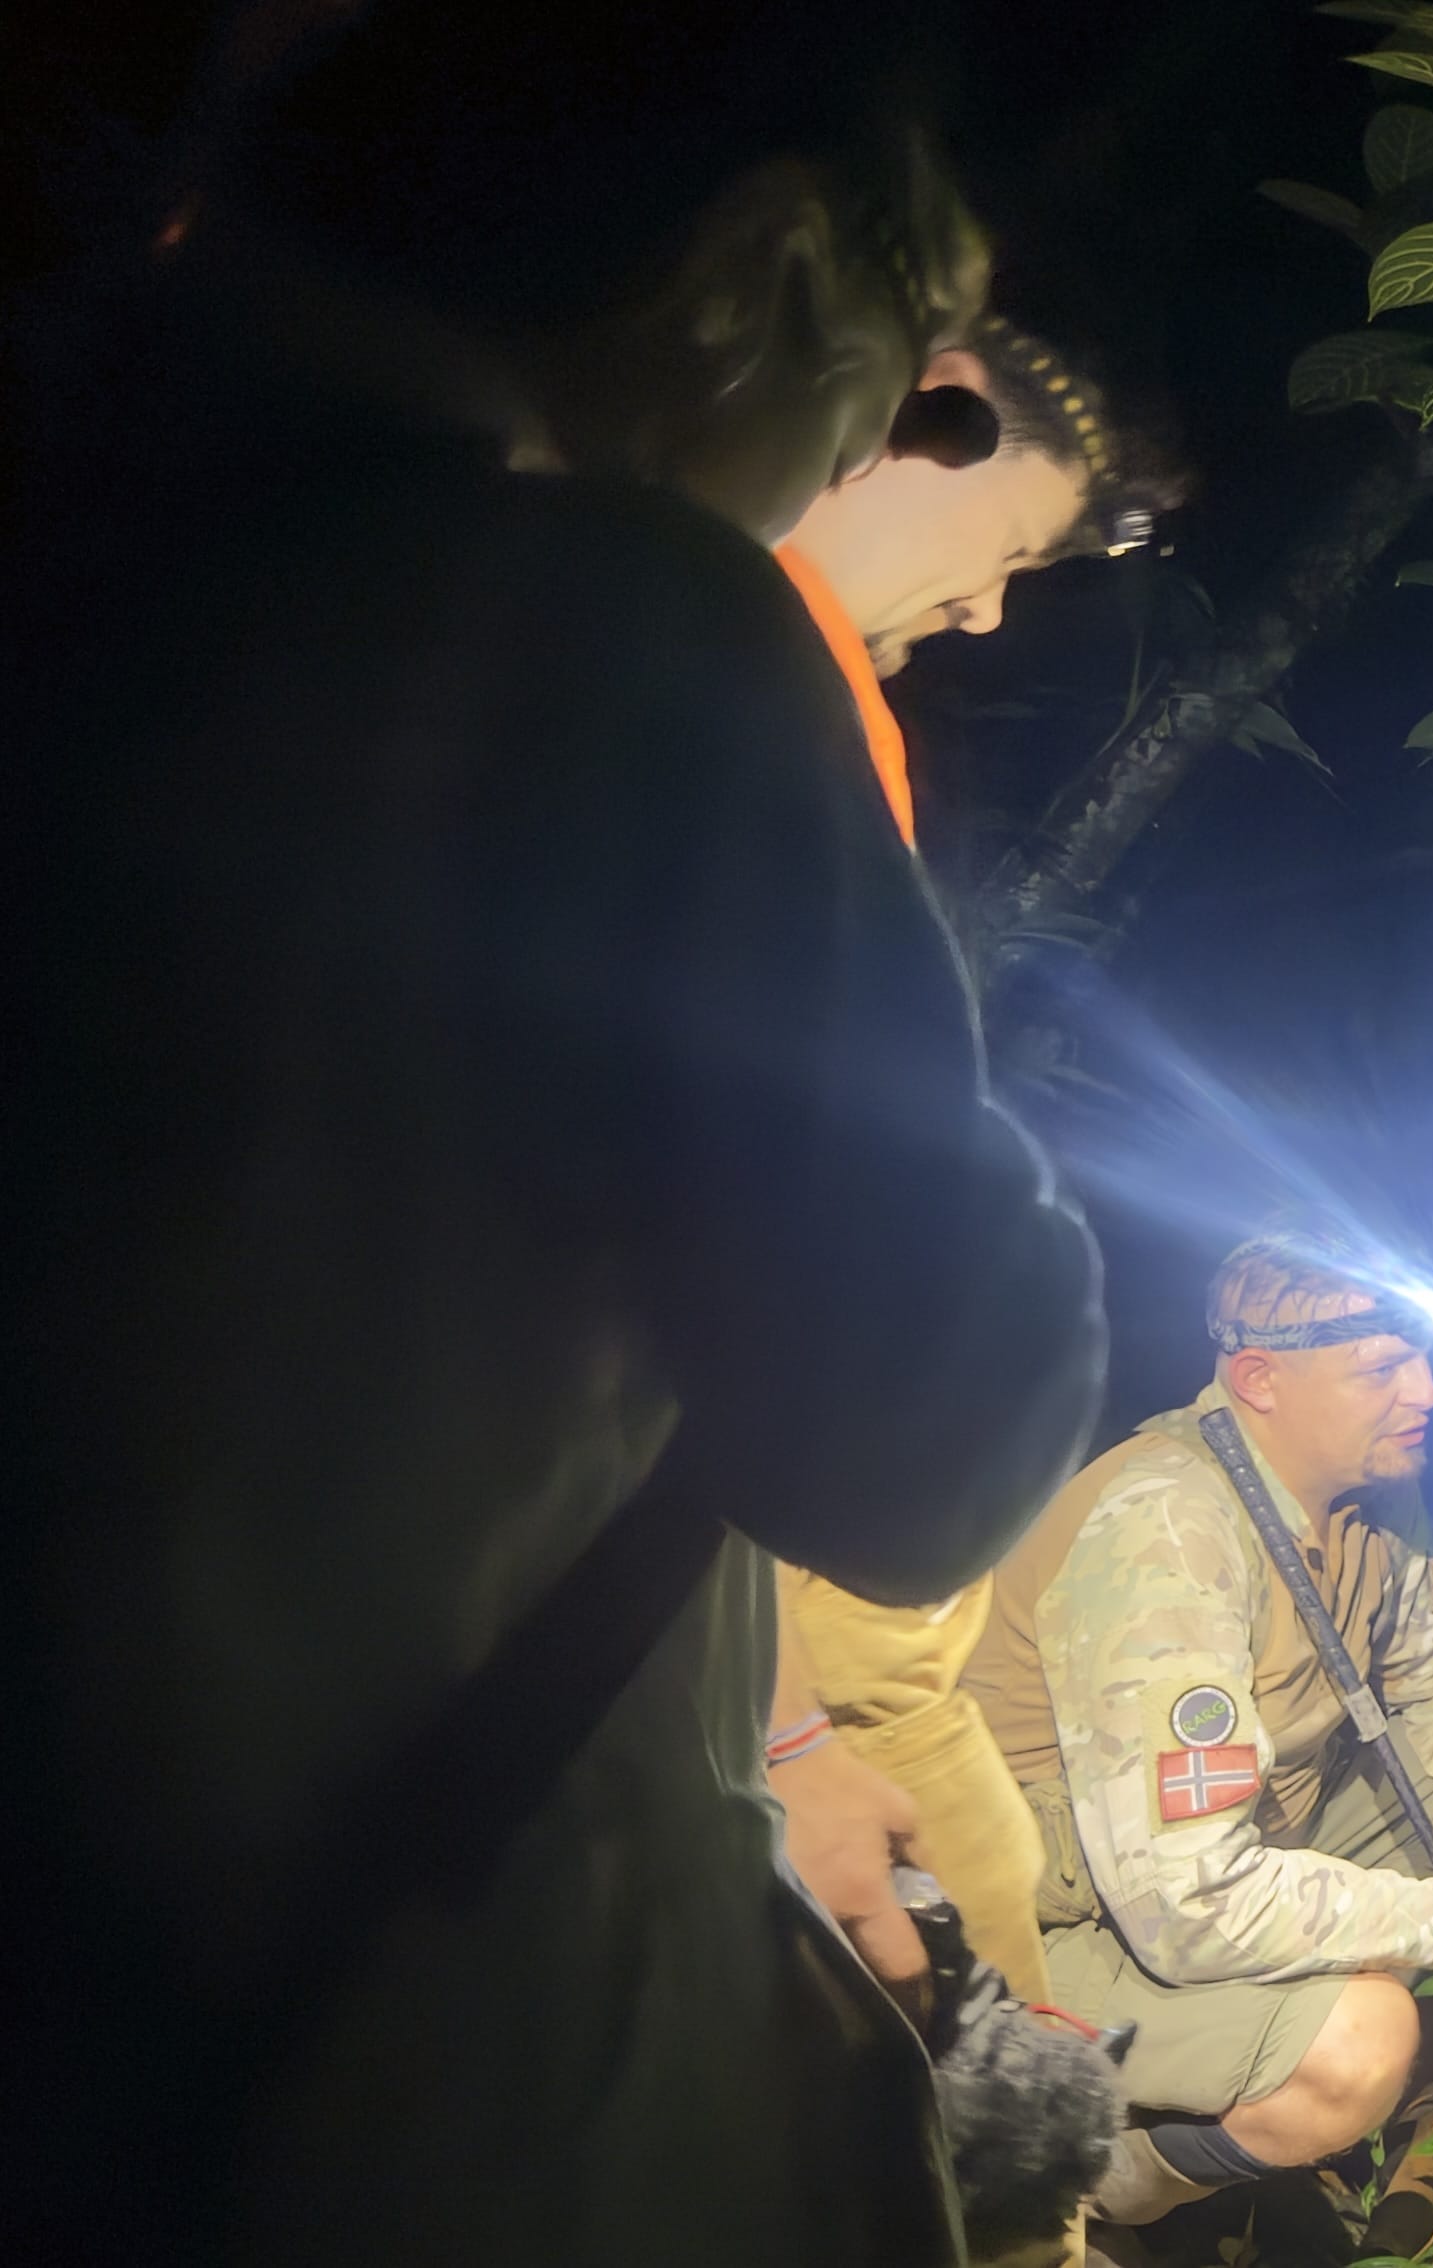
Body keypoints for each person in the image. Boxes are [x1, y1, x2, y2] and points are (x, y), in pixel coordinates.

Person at [1, 4, 1105, 2261]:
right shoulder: (615, 626)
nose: (838, 475)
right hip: (425, 2073)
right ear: (764, 274)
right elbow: (933, 1437)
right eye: (889, 375)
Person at [767, 311, 1188, 2012]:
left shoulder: (763, 673)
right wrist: (780, 1717)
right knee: (968, 1973)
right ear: (912, 416)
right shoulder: (743, 678)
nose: (996, 605)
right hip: (776, 1563)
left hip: (787, 1550)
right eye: (1007, 544)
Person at [960, 1236, 1433, 2227]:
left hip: (1222, 1848)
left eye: (1424, 1358)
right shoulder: (1167, 1528)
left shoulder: (1366, 1493)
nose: (1429, 1391)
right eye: (1384, 1368)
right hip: (1041, 1929)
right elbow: (1189, 1903)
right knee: (1356, 2047)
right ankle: (1069, 2197)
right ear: (1260, 1379)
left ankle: (1376, 2098)